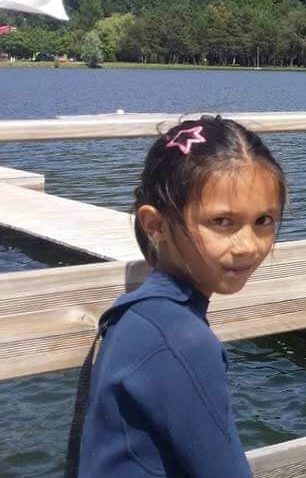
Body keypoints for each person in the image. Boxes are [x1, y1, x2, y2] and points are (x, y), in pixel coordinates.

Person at [70, 116, 287, 477]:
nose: (248, 246)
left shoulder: (140, 314)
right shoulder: (180, 340)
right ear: (155, 225)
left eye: (263, 220)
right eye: (222, 222)